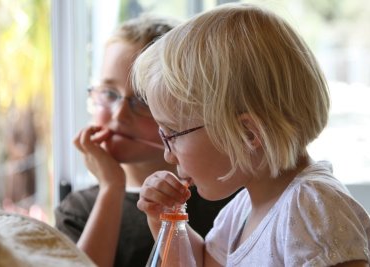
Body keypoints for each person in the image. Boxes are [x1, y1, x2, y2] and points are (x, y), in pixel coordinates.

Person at [132, 3, 370, 267]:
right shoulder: (243, 208)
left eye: (173, 133)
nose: (168, 154)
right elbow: (203, 264)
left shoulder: (311, 207)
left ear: (246, 134)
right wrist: (165, 221)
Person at [54, 16, 236, 267]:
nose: (119, 114)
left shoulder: (225, 197)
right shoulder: (78, 209)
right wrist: (111, 187)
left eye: (142, 100)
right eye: (109, 93)